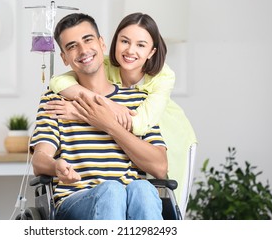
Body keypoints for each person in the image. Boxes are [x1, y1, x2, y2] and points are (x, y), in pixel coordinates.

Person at [46, 13, 197, 204]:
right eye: (124, 41)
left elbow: (139, 124)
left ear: (151, 51)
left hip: (171, 133)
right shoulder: (106, 63)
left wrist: (80, 113)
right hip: (129, 135)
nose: (130, 50)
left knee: (166, 194)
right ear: (113, 42)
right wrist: (108, 103)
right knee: (135, 190)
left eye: (141, 45)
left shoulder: (164, 76)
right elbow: (58, 81)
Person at [30, 13, 167, 220]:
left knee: (144, 190)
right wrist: (56, 166)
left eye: (88, 40)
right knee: (111, 190)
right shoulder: (55, 100)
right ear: (64, 58)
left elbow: (159, 167)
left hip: (132, 200)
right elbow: (40, 159)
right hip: (76, 200)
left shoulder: (138, 100)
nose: (83, 50)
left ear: (102, 44)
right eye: (72, 46)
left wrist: (110, 126)